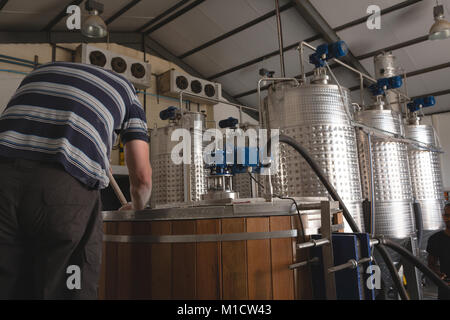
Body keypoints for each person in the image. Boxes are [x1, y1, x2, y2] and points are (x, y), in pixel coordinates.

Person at [0, 61, 152, 299]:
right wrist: (138, 209)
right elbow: (142, 176)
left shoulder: (39, 72)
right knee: (68, 287)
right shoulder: (127, 89)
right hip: (62, 191)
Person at [427, 203, 450, 300]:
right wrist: (438, 275)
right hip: (446, 290)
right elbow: (431, 264)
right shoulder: (436, 239)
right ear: (444, 217)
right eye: (448, 216)